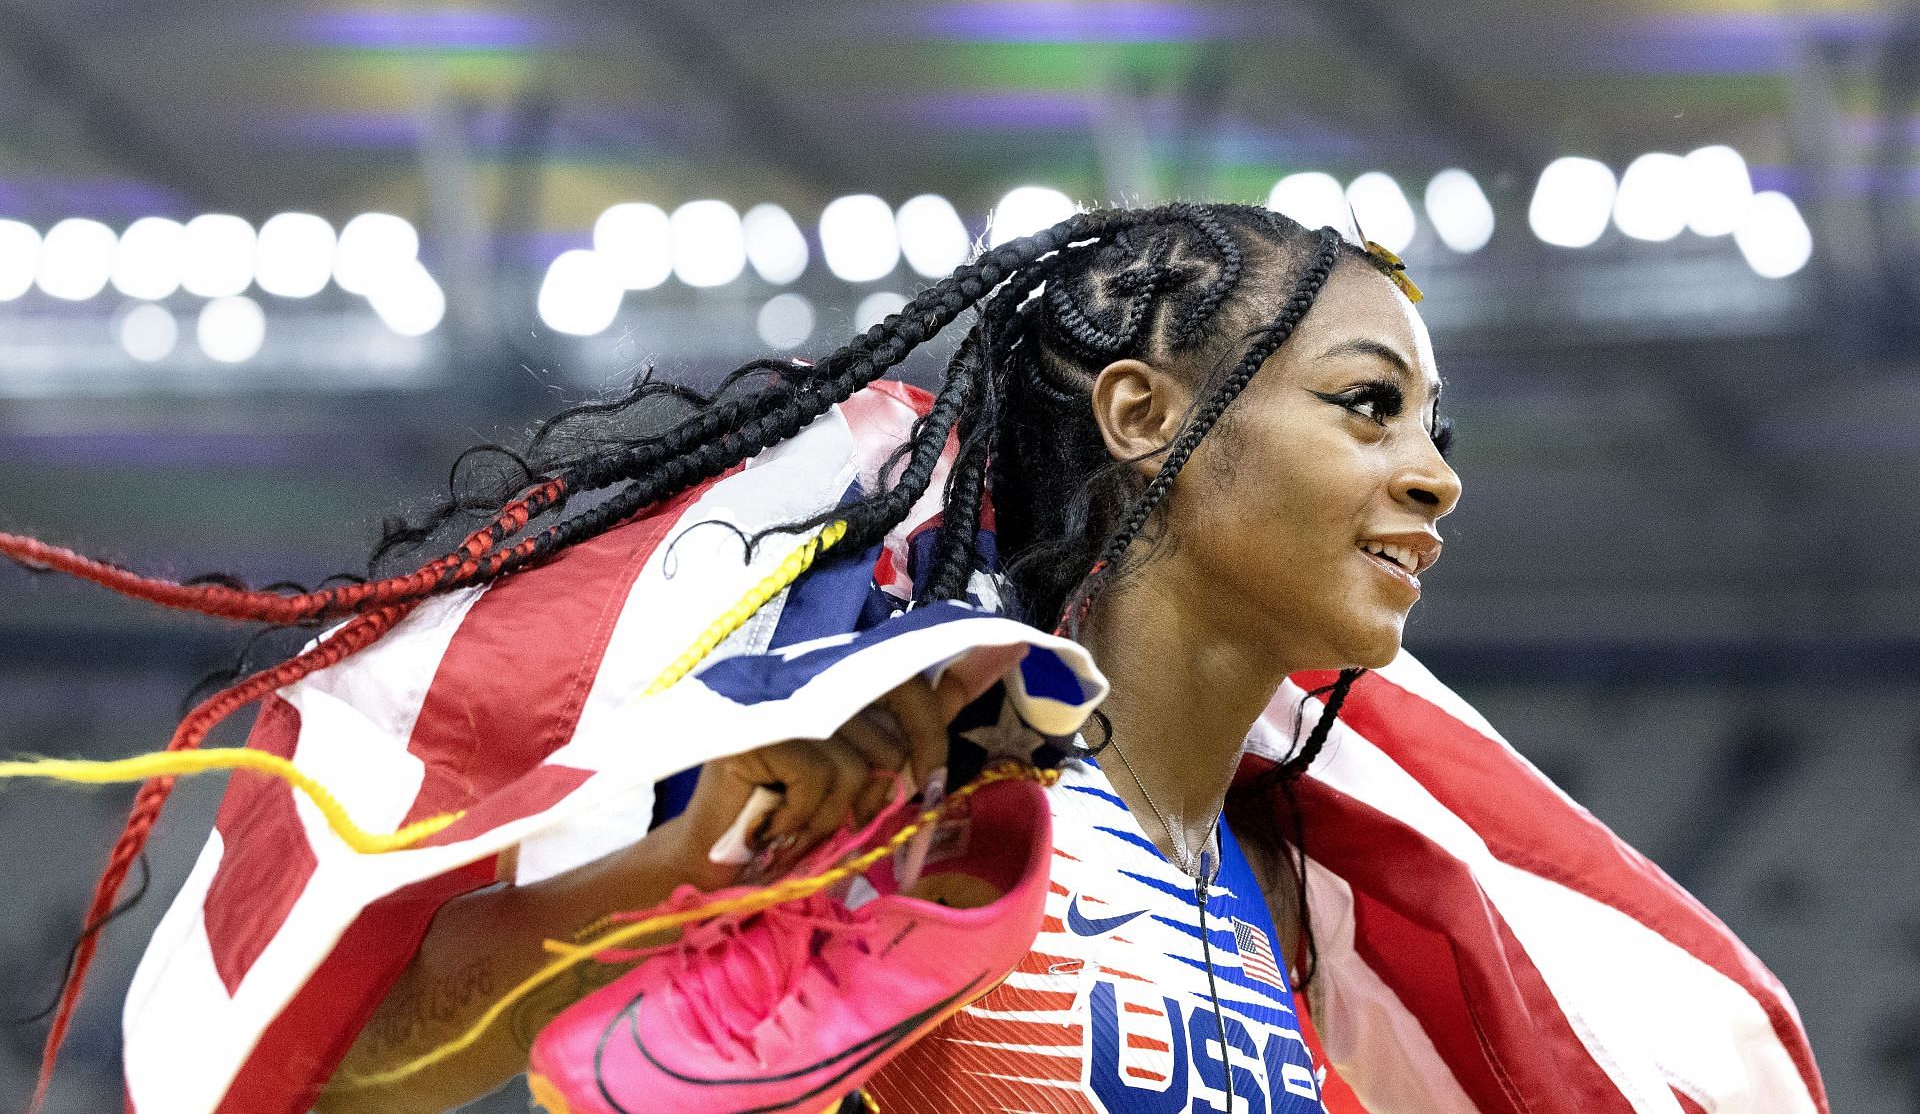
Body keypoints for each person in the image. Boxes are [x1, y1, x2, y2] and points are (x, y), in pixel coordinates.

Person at [1, 204, 1825, 1114]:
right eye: (1367, 408)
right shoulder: (923, 795)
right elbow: (336, 1089)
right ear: (1140, 415)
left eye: (1434, 425)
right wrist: (659, 880)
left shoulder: (1313, 893)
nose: (1432, 473)